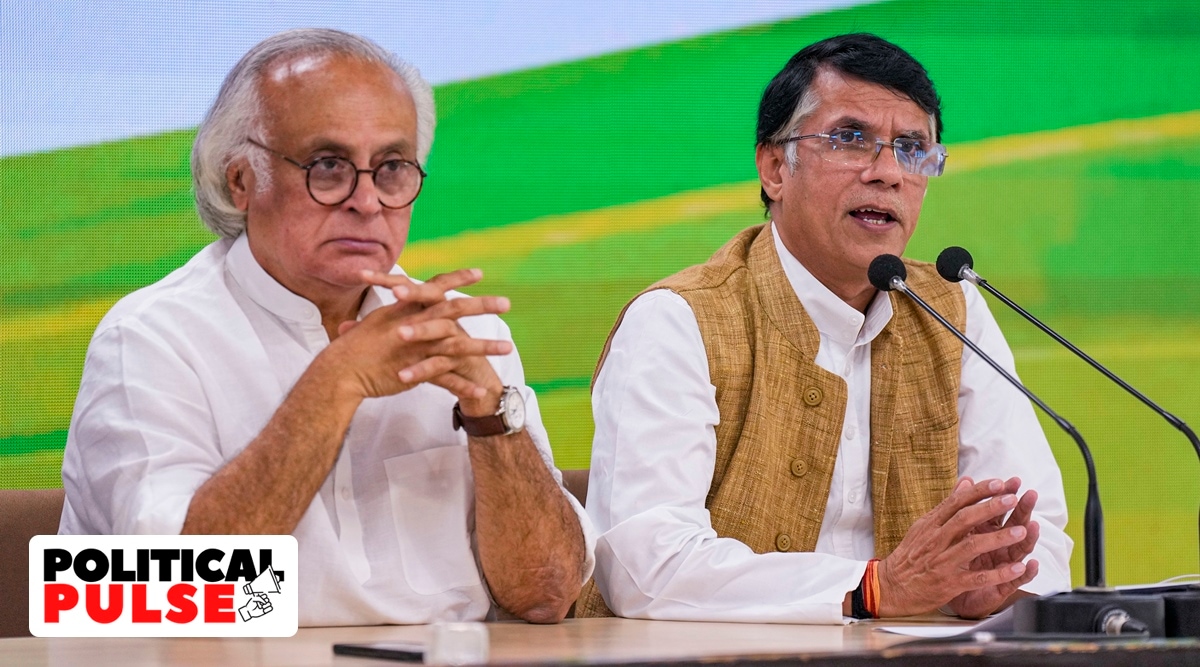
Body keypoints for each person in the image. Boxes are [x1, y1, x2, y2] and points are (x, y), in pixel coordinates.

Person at [58, 28, 593, 627]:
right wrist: (335, 383)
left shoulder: (458, 331)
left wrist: (492, 416)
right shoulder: (150, 338)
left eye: (391, 167)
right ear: (241, 181)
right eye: (329, 165)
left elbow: (548, 596)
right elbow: (169, 593)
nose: (367, 201)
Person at [578, 33, 1071, 623]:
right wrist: (872, 589)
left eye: (913, 149)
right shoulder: (680, 320)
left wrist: (997, 584)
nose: (888, 173)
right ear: (773, 168)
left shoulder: (952, 308)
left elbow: (1031, 523)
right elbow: (645, 568)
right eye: (850, 139)